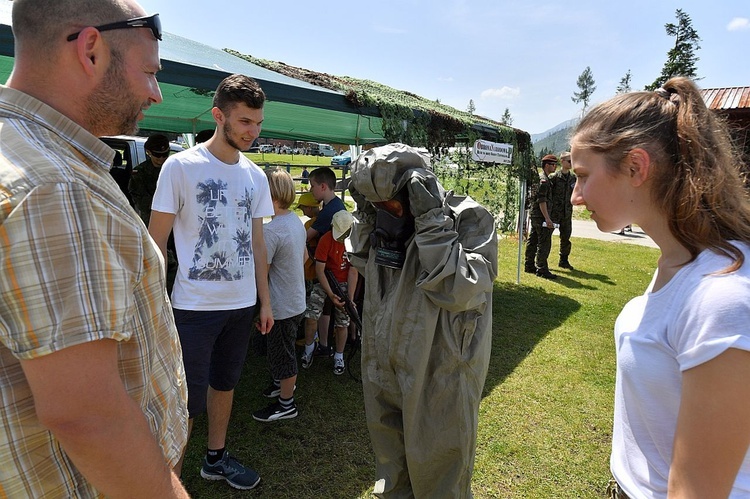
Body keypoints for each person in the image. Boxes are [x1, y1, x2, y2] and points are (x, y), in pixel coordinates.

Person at [0, 1, 189, 497]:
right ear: (90, 50)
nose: (156, 94)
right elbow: (88, 416)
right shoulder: (54, 186)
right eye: (150, 72)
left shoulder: (20, 153)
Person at [571, 77, 750, 498]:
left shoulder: (722, 297)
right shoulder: (678, 260)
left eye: (582, 175)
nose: (576, 196)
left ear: (636, 167)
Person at [347, 143, 498, 497]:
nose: (387, 211)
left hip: (440, 367)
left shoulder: (467, 218)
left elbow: (462, 289)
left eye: (392, 203)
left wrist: (431, 223)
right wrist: (368, 218)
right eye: (377, 204)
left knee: (439, 471)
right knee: (392, 465)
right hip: (385, 360)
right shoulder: (382, 217)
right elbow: (363, 263)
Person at [149, 73, 274, 490]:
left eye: (257, 123)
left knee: (226, 382)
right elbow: (156, 241)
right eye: (244, 122)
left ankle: (215, 459)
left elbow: (258, 244)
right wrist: (155, 302)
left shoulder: (256, 176)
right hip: (193, 306)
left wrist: (265, 301)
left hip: (241, 305)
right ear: (219, 116)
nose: (253, 132)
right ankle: (171, 481)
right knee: (182, 400)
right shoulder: (181, 166)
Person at [253, 168, 306, 422]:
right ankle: (280, 386)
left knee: (284, 355)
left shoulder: (272, 231)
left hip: (281, 305)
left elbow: (262, 271)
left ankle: (287, 404)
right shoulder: (295, 221)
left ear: (270, 196)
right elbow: (305, 257)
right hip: (296, 300)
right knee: (279, 350)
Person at [302, 209, 357, 375]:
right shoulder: (326, 239)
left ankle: (339, 355)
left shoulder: (354, 242)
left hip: (344, 284)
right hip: (325, 281)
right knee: (311, 315)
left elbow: (353, 272)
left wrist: (350, 299)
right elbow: (320, 270)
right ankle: (309, 347)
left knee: (343, 322)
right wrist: (330, 294)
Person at [300, 167, 346, 361]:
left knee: (322, 308)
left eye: (312, 186)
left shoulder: (329, 212)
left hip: (329, 269)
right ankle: (325, 345)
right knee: (326, 309)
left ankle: (320, 345)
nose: (311, 191)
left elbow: (307, 236)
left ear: (323, 186)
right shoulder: (336, 205)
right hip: (333, 269)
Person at [524, 154, 559, 279]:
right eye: (554, 164)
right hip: (541, 215)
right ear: (547, 165)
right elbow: (542, 201)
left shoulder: (542, 178)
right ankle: (542, 269)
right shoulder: (543, 181)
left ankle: (529, 265)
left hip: (536, 215)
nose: (555, 167)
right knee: (544, 242)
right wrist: (547, 218)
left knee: (533, 240)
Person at [129, 133, 170, 225]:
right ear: (149, 152)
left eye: (165, 155)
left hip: (174, 222)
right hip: (151, 220)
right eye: (157, 155)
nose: (161, 159)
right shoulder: (140, 172)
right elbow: (140, 200)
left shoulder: (174, 168)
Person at [549, 151, 576, 270]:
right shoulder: (554, 177)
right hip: (554, 213)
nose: (571, 163)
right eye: (569, 161)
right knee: (546, 237)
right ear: (562, 162)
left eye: (572, 161)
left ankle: (563, 260)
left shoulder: (573, 178)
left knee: (566, 238)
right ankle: (542, 261)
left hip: (567, 213)